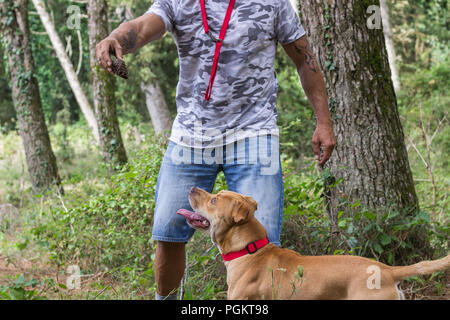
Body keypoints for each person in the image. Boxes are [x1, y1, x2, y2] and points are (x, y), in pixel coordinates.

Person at [96, 0, 336, 300]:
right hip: (191, 138)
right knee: (168, 233)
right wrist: (116, 38)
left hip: (254, 134)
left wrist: (323, 121)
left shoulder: (273, 3)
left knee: (264, 242)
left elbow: (305, 59)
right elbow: (143, 27)